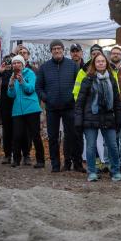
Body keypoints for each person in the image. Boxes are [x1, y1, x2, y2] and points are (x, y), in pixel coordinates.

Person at [75, 52, 121, 182]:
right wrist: (78, 120)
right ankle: (92, 172)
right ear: (94, 64)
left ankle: (115, 171)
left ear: (106, 63)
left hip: (108, 117)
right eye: (98, 61)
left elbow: (117, 101)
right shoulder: (87, 80)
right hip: (90, 117)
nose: (101, 63)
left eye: (103, 61)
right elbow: (80, 102)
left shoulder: (112, 80)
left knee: (113, 145)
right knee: (91, 146)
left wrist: (119, 117)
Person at [36, 39, 81, 172]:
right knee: (53, 137)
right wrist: (46, 98)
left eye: (58, 48)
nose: (56, 50)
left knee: (72, 136)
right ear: (51, 51)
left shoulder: (72, 65)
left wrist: (74, 99)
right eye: (54, 48)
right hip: (52, 108)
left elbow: (79, 85)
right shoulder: (44, 67)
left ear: (63, 50)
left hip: (69, 107)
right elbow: (38, 87)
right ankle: (55, 165)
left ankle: (74, 163)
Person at [7, 55, 45, 168]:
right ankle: (16, 160)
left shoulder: (30, 74)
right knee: (17, 136)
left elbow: (30, 89)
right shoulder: (12, 76)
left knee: (35, 135)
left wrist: (22, 81)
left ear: (23, 64)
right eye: (14, 63)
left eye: (18, 63)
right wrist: (11, 85)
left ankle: (40, 160)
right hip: (17, 111)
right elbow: (11, 95)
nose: (16, 65)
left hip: (31, 109)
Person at [0, 55, 17, 165]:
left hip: (16, 104)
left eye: (12, 63)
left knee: (17, 130)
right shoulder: (2, 73)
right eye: (7, 62)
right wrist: (0, 72)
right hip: (5, 106)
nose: (9, 65)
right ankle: (7, 154)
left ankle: (17, 153)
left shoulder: (18, 73)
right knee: (7, 130)